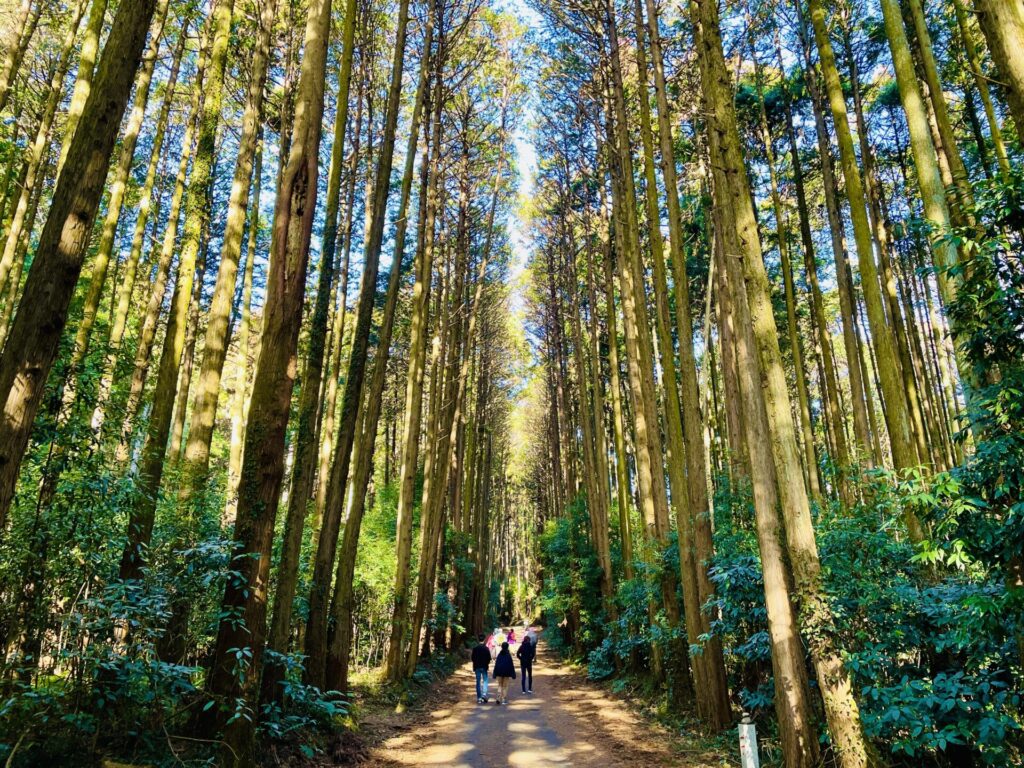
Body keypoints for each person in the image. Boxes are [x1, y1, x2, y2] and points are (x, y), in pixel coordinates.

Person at [471, 633, 491, 703]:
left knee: (478, 682)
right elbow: (489, 658)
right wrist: (486, 663)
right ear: (484, 639)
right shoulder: (486, 649)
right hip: (484, 667)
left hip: (477, 667)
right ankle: (484, 695)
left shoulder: (475, 649)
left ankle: (479, 698)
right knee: (485, 681)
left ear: (478, 639)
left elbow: (472, 658)